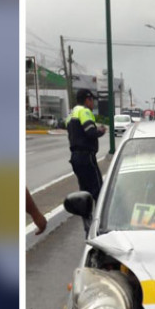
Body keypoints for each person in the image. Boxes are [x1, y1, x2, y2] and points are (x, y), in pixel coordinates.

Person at [67, 88, 107, 233]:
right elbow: (90, 132)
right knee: (99, 191)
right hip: (86, 157)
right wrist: (101, 131)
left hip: (76, 158)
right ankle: (101, 225)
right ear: (87, 99)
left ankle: (87, 224)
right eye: (92, 100)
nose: (93, 104)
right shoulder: (84, 111)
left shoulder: (71, 113)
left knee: (84, 192)